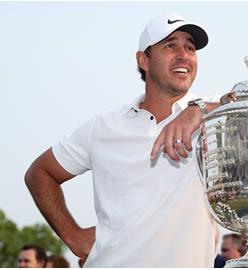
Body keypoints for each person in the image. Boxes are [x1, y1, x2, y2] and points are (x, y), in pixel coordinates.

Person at [24, 13, 222, 267]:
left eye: (190, 47)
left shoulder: (217, 115)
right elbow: (39, 173)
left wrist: (198, 111)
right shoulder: (103, 127)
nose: (183, 54)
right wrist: (72, 235)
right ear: (143, 60)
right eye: (170, 45)